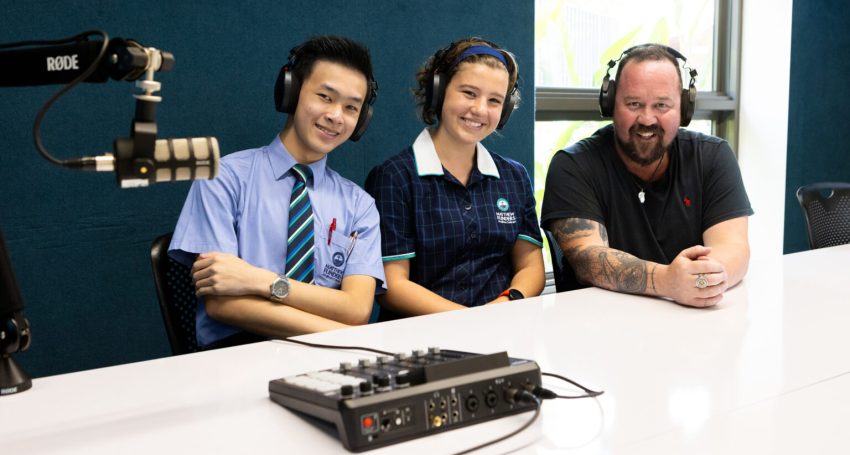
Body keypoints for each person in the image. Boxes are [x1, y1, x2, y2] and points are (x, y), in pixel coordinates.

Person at [169, 35, 385, 349]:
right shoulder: (224, 177)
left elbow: (356, 310)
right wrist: (337, 335)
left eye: (351, 107)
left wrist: (259, 281)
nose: (337, 116)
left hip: (329, 358)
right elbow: (221, 303)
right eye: (325, 97)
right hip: (238, 355)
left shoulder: (359, 205)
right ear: (291, 92)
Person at [541, 43, 753, 308]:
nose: (647, 119)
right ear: (610, 105)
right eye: (633, 103)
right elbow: (588, 259)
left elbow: (734, 249)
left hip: (689, 324)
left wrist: (699, 283)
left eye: (662, 105)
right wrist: (669, 281)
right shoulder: (573, 166)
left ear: (684, 110)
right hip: (600, 327)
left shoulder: (712, 157)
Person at [365, 37, 544, 320]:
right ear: (439, 91)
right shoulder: (395, 176)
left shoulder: (514, 176)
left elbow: (531, 265)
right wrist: (468, 321)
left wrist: (510, 301)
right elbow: (393, 284)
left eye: (494, 100)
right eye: (469, 93)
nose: (480, 110)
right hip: (422, 340)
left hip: (502, 327)